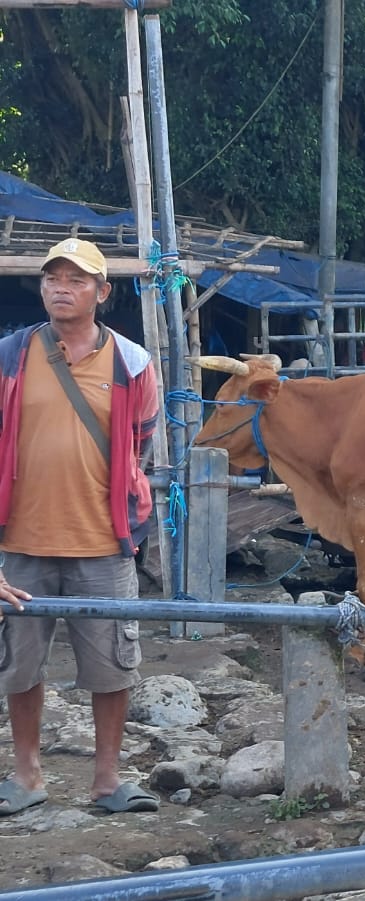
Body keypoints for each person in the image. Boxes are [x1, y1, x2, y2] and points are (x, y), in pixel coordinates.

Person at [0, 238, 162, 816]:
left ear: (102, 292)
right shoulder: (10, 356)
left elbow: (141, 446)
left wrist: (126, 514)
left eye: (77, 279)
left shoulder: (132, 362)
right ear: (41, 287)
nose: (61, 288)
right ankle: (25, 775)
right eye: (52, 279)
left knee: (111, 665)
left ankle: (108, 779)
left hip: (103, 542)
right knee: (19, 664)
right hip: (21, 544)